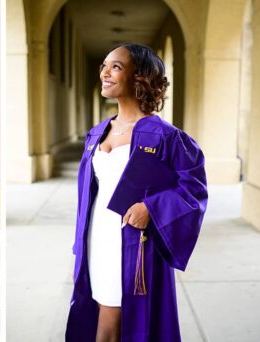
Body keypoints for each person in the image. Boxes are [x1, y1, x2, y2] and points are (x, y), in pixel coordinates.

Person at [66, 44, 208, 342]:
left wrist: (152, 209)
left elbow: (193, 191)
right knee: (99, 316)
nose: (105, 72)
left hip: (132, 242)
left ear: (140, 77)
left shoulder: (166, 137)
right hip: (98, 238)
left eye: (116, 66)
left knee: (113, 324)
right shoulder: (97, 133)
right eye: (104, 65)